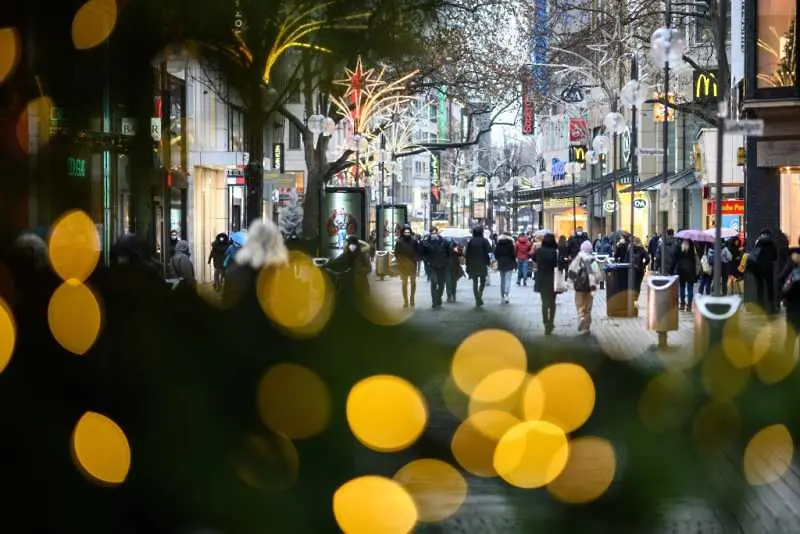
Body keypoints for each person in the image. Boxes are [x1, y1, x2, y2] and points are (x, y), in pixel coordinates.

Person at [568, 240, 598, 335]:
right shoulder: (593, 259)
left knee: (580, 305)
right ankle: (586, 327)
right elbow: (597, 274)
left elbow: (572, 271)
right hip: (590, 287)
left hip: (579, 287)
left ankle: (581, 317)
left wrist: (571, 283)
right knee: (588, 307)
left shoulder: (578, 258)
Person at [748, 229, 779, 313]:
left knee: (760, 287)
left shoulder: (758, 243)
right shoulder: (772, 244)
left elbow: (754, 255)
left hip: (758, 267)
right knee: (770, 287)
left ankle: (760, 305)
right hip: (769, 268)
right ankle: (772, 306)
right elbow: (775, 257)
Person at [533, 233, 559, 335]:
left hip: (542, 279)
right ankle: (551, 322)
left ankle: (545, 322)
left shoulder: (539, 251)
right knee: (552, 303)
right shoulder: (555, 252)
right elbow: (557, 264)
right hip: (553, 280)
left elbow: (533, 258)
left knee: (544, 302)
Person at [779, 247, 800, 359]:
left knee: (791, 334)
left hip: (793, 304)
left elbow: (781, 277)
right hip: (793, 303)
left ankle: (787, 359)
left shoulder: (793, 258)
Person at [421, 227, 449, 309]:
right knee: (433, 283)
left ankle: (439, 297)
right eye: (432, 233)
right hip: (431, 266)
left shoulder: (443, 241)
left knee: (441, 284)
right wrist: (426, 261)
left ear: (437, 233)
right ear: (430, 233)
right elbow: (423, 253)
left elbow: (448, 252)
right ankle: (434, 301)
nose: (434, 234)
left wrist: (446, 260)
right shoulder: (426, 242)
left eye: (435, 233)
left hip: (442, 265)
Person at [465, 226, 492, 307]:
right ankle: (479, 295)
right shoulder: (484, 240)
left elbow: (467, 253)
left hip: (473, 263)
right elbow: (489, 250)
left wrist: (467, 263)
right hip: (482, 262)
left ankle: (477, 298)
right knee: (483, 281)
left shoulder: (471, 241)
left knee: (475, 281)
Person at [394, 224, 419, 308]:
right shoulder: (399, 242)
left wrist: (415, 258)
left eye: (408, 232)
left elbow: (417, 251)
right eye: (405, 232)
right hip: (403, 266)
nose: (407, 233)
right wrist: (400, 261)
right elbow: (396, 253)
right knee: (404, 283)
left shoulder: (414, 241)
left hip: (412, 265)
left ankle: (412, 298)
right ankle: (405, 301)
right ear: (403, 232)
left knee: (413, 283)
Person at [672, 239, 698, 312]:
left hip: (681, 269)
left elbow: (675, 258)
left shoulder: (679, 246)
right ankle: (689, 305)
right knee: (690, 288)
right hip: (691, 269)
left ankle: (682, 304)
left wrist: (672, 269)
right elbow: (694, 259)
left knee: (682, 287)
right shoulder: (692, 246)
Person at [494, 232, 516, 303]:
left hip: (501, 262)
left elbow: (496, 253)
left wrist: (499, 259)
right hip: (509, 262)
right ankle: (506, 295)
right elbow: (513, 254)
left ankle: (502, 296)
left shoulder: (498, 243)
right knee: (508, 279)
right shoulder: (510, 244)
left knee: (502, 280)